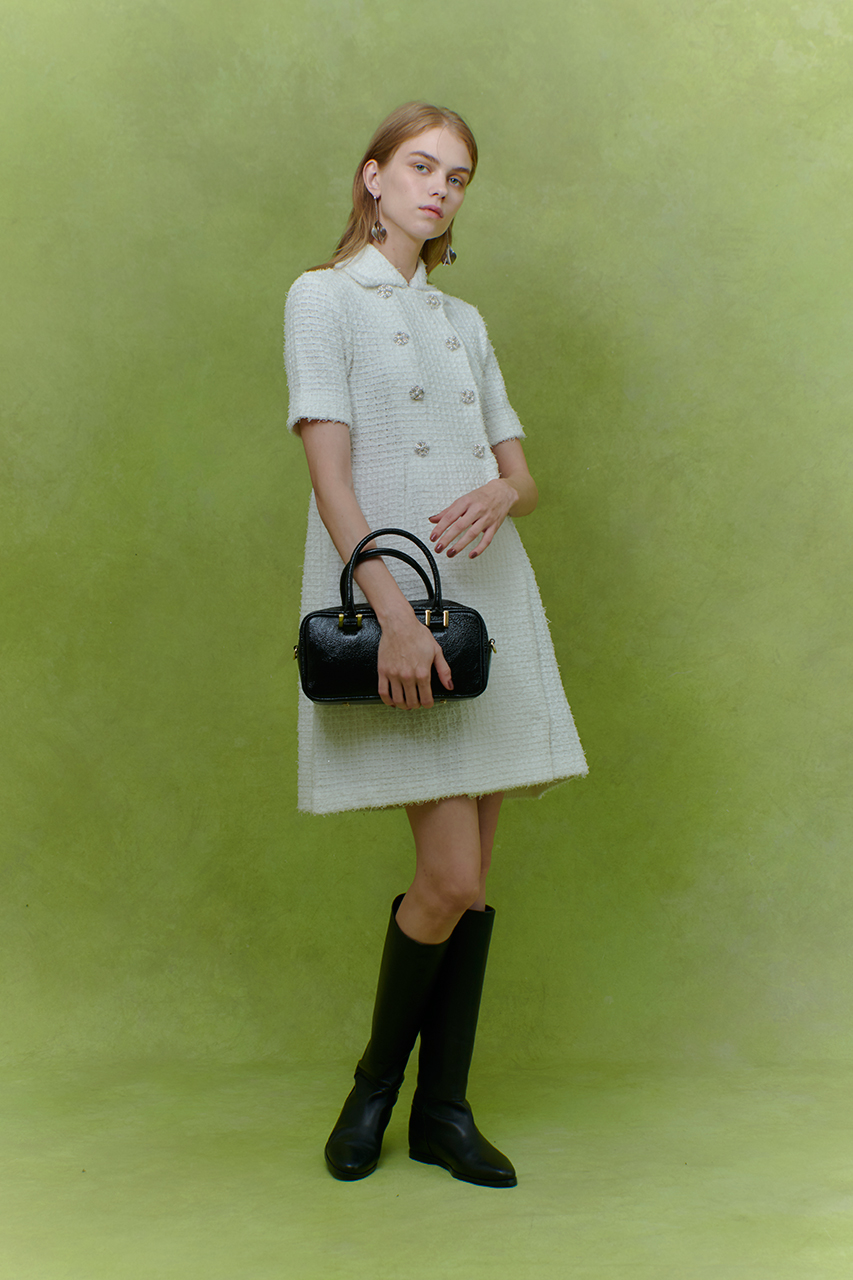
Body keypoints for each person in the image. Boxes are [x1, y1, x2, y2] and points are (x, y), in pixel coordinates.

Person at [284, 102, 587, 1188]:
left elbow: (522, 476)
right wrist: (397, 617)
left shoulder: (463, 317)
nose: (438, 189)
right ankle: (375, 1087)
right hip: (403, 605)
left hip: (489, 599)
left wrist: (503, 491)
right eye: (420, 167)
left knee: (473, 880)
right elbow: (330, 480)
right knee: (448, 875)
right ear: (373, 176)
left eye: (456, 176)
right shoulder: (321, 297)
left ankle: (441, 1113)